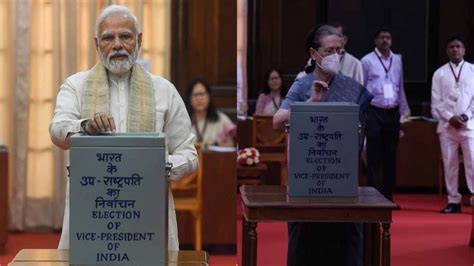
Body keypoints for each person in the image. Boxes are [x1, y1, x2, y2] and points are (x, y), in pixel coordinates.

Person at [49, 5, 198, 250]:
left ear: (138, 40)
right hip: (92, 211)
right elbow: (57, 131)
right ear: (97, 44)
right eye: (108, 38)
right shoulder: (75, 85)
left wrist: (158, 166)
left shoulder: (164, 90)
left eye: (125, 36)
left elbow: (190, 155)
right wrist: (85, 126)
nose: (117, 45)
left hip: (149, 212)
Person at [273, 25, 372, 266]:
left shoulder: (351, 88)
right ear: (314, 54)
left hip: (341, 174)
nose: (336, 56)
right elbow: (277, 121)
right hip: (307, 175)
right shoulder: (302, 84)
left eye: (340, 50)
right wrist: (310, 103)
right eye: (330, 50)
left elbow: (359, 132)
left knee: (345, 245)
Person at [361, 27, 410, 201]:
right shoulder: (367, 61)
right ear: (375, 40)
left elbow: (400, 85)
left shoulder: (397, 60)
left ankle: (388, 197)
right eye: (382, 37)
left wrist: (404, 112)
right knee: (374, 157)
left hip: (393, 112)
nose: (385, 40)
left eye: (388, 37)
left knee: (390, 157)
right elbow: (362, 88)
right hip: (374, 111)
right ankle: (374, 197)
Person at [431, 35, 474, 213]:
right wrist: (450, 117)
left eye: (458, 46)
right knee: (450, 164)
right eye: (451, 47)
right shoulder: (439, 73)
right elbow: (436, 101)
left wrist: (465, 116)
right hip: (447, 127)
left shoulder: (472, 70)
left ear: (464, 50)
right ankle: (453, 200)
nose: (455, 49)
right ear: (447, 50)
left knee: (473, 161)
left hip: (469, 125)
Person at [186, 78, 235, 147]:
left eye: (202, 94)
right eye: (195, 95)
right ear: (189, 99)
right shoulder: (184, 120)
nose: (199, 98)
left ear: (209, 96)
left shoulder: (221, 119)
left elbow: (231, 145)